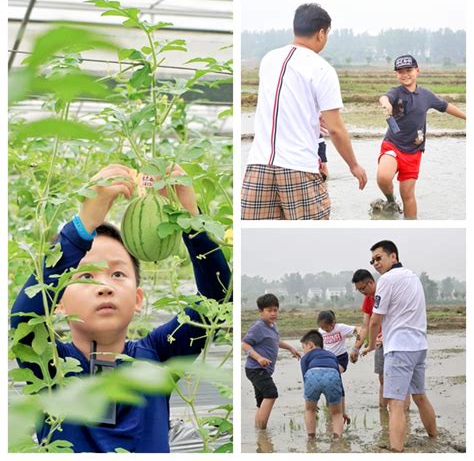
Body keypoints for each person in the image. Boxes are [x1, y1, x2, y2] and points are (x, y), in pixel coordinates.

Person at [10, 164, 231, 453]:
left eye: (118, 274)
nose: (105, 286)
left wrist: (190, 217)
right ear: (58, 301)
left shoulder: (158, 355)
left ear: (138, 299)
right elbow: (23, 321)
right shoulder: (49, 364)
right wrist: (83, 224)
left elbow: (216, 299)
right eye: (87, 275)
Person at [241, 3, 367, 220]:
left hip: (258, 167)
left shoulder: (269, 59)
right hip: (298, 168)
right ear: (321, 33)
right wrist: (354, 165)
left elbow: (280, 102)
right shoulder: (321, 68)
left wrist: (310, 116)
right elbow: (336, 129)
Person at [361, 240, 436, 452]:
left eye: (379, 258)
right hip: (419, 346)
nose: (375, 263)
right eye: (372, 260)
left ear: (393, 256)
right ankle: (434, 438)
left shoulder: (386, 280)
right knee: (420, 396)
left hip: (399, 347)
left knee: (394, 404)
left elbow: (375, 320)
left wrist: (372, 345)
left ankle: (396, 451)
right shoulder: (413, 277)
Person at [377, 54, 466, 219]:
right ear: (396, 74)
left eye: (409, 70)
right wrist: (386, 103)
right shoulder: (396, 92)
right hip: (393, 144)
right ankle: (390, 200)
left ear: (417, 70)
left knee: (408, 194)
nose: (405, 74)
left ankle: (411, 224)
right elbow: (385, 97)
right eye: (400, 71)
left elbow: (445, 106)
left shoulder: (426, 95)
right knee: (383, 177)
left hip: (414, 151)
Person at [242, 293, 300, 429]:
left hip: (263, 370)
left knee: (261, 401)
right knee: (271, 393)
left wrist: (291, 348)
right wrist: (259, 358)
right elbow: (244, 344)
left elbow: (275, 341)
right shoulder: (258, 327)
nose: (273, 313)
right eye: (269, 310)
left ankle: (259, 434)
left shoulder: (273, 326)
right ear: (261, 312)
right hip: (256, 369)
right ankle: (262, 431)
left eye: (275, 310)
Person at [350, 269, 386, 407]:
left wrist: (385, 336)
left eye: (362, 289)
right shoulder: (368, 299)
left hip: (395, 341)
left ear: (370, 282)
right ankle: (383, 412)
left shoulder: (385, 292)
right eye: (359, 290)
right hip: (379, 344)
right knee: (382, 378)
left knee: (399, 380)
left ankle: (402, 414)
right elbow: (365, 326)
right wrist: (356, 348)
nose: (362, 292)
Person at [300, 329, 344, 439]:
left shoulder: (305, 357)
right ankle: (337, 439)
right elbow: (339, 378)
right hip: (332, 375)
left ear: (310, 345)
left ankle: (311, 438)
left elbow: (305, 377)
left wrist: (311, 399)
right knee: (337, 413)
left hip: (312, 375)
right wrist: (341, 407)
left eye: (303, 348)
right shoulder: (332, 355)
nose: (303, 351)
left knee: (310, 410)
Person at [317, 310, 359, 423]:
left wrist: (357, 346)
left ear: (333, 323)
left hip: (341, 358)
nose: (325, 330)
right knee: (328, 381)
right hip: (328, 359)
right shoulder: (320, 331)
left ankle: (341, 410)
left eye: (327, 328)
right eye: (322, 328)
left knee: (335, 375)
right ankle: (332, 406)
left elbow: (357, 329)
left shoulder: (340, 328)